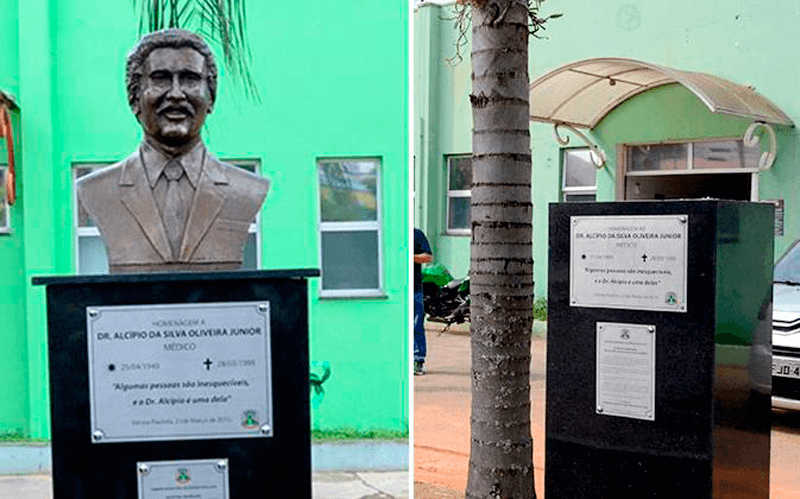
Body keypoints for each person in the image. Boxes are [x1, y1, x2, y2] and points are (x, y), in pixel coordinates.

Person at [76, 29, 269, 274]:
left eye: (190, 79)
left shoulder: (246, 190)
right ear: (134, 97)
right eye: (161, 79)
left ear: (211, 98)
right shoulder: (98, 190)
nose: (176, 94)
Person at [414, 227, 432, 375]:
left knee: (416, 326)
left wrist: (408, 256)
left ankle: (418, 361)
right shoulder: (391, 232)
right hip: (394, 290)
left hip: (414, 290)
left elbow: (427, 257)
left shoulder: (416, 234)